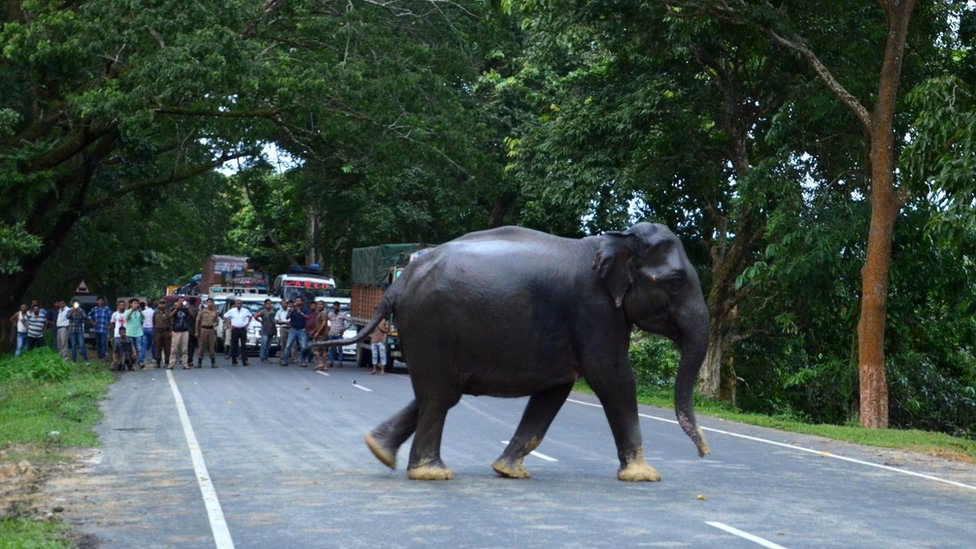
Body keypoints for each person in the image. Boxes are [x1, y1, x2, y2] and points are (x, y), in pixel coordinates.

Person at [223, 298, 253, 367]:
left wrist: (247, 323)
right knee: (234, 345)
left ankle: (244, 361)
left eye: (240, 303)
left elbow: (250, 316)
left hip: (242, 329)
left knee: (243, 345)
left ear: (242, 304)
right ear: (235, 304)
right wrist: (229, 325)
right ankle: (234, 361)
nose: (239, 305)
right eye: (237, 303)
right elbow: (225, 317)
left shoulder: (245, 310)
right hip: (235, 329)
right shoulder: (232, 311)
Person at [282, 297, 310, 367]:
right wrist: (292, 310)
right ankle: (285, 361)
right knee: (288, 345)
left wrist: (300, 312)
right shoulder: (292, 309)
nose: (297, 302)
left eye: (299, 300)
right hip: (293, 329)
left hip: (302, 330)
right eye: (296, 300)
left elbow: (307, 317)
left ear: (302, 302)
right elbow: (287, 317)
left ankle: (302, 361)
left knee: (303, 346)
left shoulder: (305, 309)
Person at [169, 299, 193, 370]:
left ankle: (185, 364)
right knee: (174, 348)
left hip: (185, 331)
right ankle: (171, 364)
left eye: (182, 301)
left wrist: (187, 307)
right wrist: (176, 308)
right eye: (180, 301)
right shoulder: (174, 308)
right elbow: (170, 316)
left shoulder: (185, 309)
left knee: (184, 349)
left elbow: (192, 315)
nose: (181, 302)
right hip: (176, 331)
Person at [195, 298, 220, 368]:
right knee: (202, 346)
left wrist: (215, 324)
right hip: (203, 329)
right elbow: (197, 321)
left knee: (211, 346)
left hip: (211, 330)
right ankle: (199, 362)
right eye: (209, 302)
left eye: (211, 302)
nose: (210, 303)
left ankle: (213, 362)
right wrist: (196, 331)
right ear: (206, 303)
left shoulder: (215, 312)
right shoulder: (202, 311)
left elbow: (217, 321)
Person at [326, 301, 350, 369]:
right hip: (332, 333)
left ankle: (340, 362)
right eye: (334, 306)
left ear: (339, 307)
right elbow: (326, 321)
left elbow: (349, 321)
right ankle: (331, 361)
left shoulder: (343, 314)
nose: (335, 307)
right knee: (331, 348)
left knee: (340, 348)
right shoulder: (330, 314)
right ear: (333, 306)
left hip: (339, 333)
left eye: (337, 306)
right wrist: (328, 329)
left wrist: (344, 329)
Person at [254, 299, 277, 363]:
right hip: (264, 331)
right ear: (265, 305)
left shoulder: (273, 312)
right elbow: (255, 316)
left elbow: (274, 321)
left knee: (268, 346)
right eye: (268, 304)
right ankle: (262, 358)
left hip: (271, 330)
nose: (269, 305)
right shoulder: (263, 311)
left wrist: (275, 330)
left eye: (270, 304)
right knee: (264, 345)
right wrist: (261, 321)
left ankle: (266, 358)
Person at [124, 299, 144, 368]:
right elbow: (126, 318)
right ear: (131, 304)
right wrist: (132, 310)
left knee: (139, 348)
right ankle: (130, 362)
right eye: (134, 303)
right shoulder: (127, 311)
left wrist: (141, 312)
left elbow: (143, 319)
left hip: (138, 333)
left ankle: (140, 362)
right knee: (130, 349)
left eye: (137, 303)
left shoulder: (139, 312)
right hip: (129, 333)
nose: (136, 305)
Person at [310, 301, 329, 371]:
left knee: (314, 348)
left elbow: (323, 323)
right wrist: (314, 331)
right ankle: (324, 365)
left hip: (321, 335)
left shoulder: (324, 312)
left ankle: (320, 362)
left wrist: (317, 332)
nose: (319, 306)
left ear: (324, 305)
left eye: (321, 304)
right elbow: (318, 324)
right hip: (321, 334)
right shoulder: (320, 313)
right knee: (323, 350)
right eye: (318, 305)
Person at [153, 302, 172, 368]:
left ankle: (167, 361)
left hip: (166, 331)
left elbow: (171, 322)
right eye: (160, 304)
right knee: (158, 348)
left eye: (163, 304)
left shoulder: (168, 312)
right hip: (158, 332)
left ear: (165, 305)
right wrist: (154, 333)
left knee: (167, 348)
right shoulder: (155, 313)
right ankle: (158, 362)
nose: (162, 305)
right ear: (158, 305)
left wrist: (171, 331)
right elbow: (153, 323)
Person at [140, 301, 155, 367]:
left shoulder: (143, 312)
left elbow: (141, 321)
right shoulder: (154, 312)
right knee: (153, 344)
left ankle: (142, 358)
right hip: (151, 329)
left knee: (144, 345)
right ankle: (154, 358)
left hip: (144, 329)